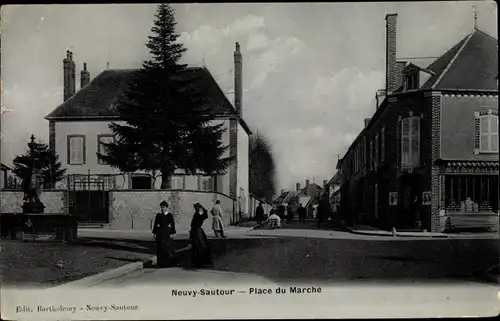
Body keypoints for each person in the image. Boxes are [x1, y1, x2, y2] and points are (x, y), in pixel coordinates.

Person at [152, 201, 177, 268]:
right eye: (161, 207)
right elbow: (155, 224)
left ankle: (167, 263)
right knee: (159, 248)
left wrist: (172, 233)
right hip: (159, 233)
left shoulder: (169, 215)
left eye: (164, 207)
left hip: (166, 233)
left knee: (166, 248)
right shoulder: (158, 215)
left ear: (166, 207)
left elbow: (172, 224)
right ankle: (160, 264)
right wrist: (154, 233)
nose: (162, 209)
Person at [190, 203, 213, 268]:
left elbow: (203, 216)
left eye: (197, 208)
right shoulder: (197, 214)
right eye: (196, 208)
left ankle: (200, 262)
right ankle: (198, 262)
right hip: (196, 230)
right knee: (198, 246)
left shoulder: (199, 214)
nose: (196, 209)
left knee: (200, 245)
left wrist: (203, 210)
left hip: (197, 231)